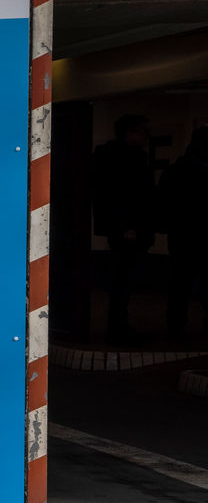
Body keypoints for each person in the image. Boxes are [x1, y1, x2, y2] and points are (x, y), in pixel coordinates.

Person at [91, 114, 158, 343]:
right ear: (129, 133)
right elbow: (120, 196)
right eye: (141, 132)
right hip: (127, 228)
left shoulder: (119, 157)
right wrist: (126, 226)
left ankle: (119, 324)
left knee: (124, 278)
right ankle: (118, 326)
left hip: (125, 227)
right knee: (124, 278)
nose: (145, 137)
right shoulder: (125, 159)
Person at [160, 126, 208, 340]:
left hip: (181, 234)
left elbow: (165, 200)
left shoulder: (177, 169)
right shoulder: (199, 169)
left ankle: (175, 327)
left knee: (179, 284)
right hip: (198, 233)